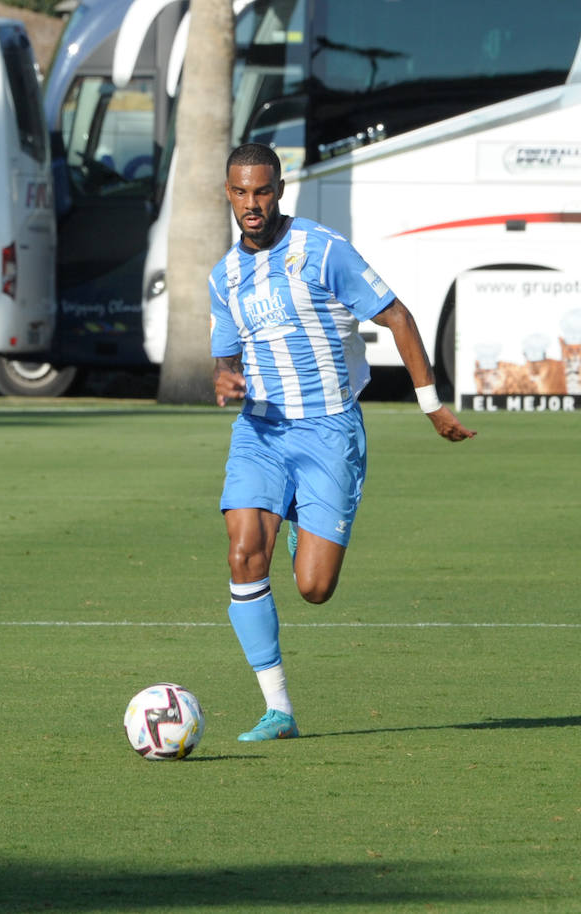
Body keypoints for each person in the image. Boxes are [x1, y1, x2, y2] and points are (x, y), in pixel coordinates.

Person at [210, 142, 475, 741]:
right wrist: (224, 377)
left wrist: (430, 406)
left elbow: (399, 317)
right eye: (240, 193)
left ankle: (306, 514)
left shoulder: (323, 251)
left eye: (262, 191)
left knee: (314, 588)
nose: (252, 205)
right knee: (244, 550)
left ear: (280, 190)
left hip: (329, 429)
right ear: (228, 194)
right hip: (260, 429)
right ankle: (277, 708)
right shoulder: (223, 276)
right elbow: (225, 357)